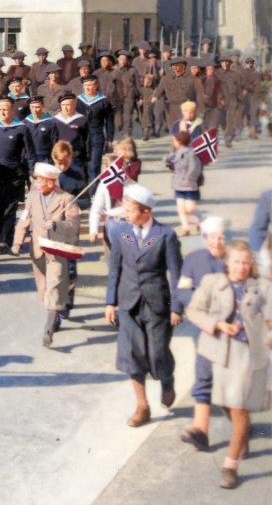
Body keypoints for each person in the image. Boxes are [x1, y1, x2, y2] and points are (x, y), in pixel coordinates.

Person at [185, 240, 272, 490]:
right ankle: (241, 434)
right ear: (227, 263)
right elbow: (194, 311)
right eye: (236, 262)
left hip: (247, 354)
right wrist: (218, 324)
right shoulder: (213, 282)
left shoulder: (262, 287)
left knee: (239, 407)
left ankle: (230, 466)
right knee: (227, 404)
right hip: (216, 352)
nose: (241, 267)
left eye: (246, 262)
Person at [105, 183, 183, 427]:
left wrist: (177, 307)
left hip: (156, 304)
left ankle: (167, 380)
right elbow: (114, 268)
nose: (126, 214)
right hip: (128, 303)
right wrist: (110, 302)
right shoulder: (122, 232)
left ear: (146, 211)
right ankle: (142, 406)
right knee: (131, 356)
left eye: (130, 209)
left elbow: (176, 274)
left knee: (158, 354)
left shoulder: (165, 235)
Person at [12, 162, 81, 346]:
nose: (35, 184)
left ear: (50, 182)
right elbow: (24, 220)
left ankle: (48, 330)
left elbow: (74, 228)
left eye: (39, 180)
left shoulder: (67, 199)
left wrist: (59, 226)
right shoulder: (32, 197)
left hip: (57, 252)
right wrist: (17, 243)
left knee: (54, 287)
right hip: (37, 252)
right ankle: (56, 313)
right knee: (44, 290)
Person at [177, 216, 227, 454]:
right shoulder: (194, 260)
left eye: (221, 237)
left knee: (231, 380)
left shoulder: (235, 259)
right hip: (205, 328)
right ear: (204, 238)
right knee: (204, 375)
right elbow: (183, 291)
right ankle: (201, 430)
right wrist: (199, 308)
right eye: (213, 237)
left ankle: (240, 427)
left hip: (232, 330)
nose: (217, 242)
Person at [0, 96, 29, 250]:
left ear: (12, 110)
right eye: (0, 110)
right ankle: (0, 236)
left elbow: (27, 153)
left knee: (10, 207)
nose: (3, 112)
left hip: (15, 174)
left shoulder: (21, 128)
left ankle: (7, 239)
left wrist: (27, 174)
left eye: (6, 109)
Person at [166, 129, 203, 236]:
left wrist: (188, 178)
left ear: (180, 142)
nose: (173, 143)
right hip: (178, 184)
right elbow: (170, 162)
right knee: (181, 207)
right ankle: (185, 226)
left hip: (189, 185)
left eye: (175, 141)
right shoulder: (175, 153)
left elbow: (195, 167)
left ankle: (201, 221)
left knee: (190, 208)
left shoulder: (191, 154)